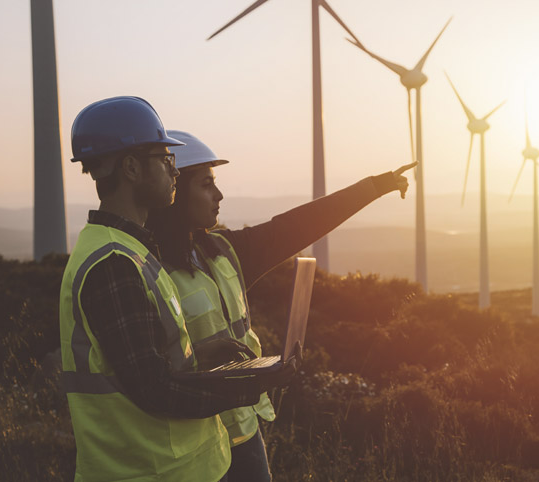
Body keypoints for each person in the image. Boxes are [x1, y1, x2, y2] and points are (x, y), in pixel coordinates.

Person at [145, 130, 415, 481]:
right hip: (189, 442)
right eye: (206, 185)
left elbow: (297, 226)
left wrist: (374, 187)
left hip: (242, 428)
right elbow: (150, 368)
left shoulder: (224, 252)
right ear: (176, 193)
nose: (219, 195)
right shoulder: (145, 267)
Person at [58, 96, 297, 482]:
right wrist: (250, 385)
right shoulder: (113, 264)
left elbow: (138, 363)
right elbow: (156, 390)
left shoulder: (132, 250)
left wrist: (202, 352)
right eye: (166, 159)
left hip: (183, 468)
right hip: (151, 472)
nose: (174, 171)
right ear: (132, 168)